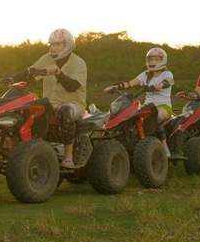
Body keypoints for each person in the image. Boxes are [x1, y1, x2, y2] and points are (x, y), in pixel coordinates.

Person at [9, 28, 87, 169]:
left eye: (58, 44)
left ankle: (68, 156)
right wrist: (12, 78)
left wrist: (58, 72)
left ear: (67, 44)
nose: (54, 47)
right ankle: (31, 151)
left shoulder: (79, 63)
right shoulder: (47, 58)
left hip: (74, 104)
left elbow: (72, 86)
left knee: (66, 111)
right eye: (52, 44)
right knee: (25, 112)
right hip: (50, 103)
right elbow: (30, 72)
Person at [103, 47, 174, 154]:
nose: (153, 61)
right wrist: (114, 87)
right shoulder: (145, 74)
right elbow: (129, 83)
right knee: (129, 118)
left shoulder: (167, 74)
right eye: (151, 59)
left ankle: (164, 147)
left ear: (163, 60)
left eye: (157, 59)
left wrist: (158, 86)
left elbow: (168, 82)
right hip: (147, 106)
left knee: (155, 116)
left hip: (164, 106)